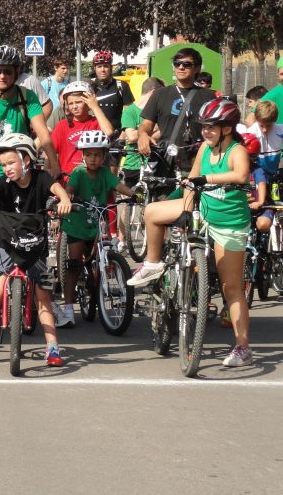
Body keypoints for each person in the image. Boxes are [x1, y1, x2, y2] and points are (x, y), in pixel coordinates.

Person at [128, 98, 253, 367]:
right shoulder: (205, 149)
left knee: (231, 287)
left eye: (211, 127)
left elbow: (241, 175)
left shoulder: (236, 151)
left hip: (229, 223)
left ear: (227, 129)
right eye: (203, 126)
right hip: (202, 211)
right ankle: (152, 263)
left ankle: (242, 347)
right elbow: (190, 183)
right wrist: (186, 209)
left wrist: (206, 179)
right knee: (152, 212)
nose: (205, 131)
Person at [0, 133, 72, 366]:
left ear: (26, 160)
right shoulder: (5, 183)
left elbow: (56, 187)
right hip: (6, 242)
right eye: (3, 165)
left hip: (35, 244)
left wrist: (64, 199)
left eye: (11, 163)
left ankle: (52, 346)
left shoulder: (41, 178)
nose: (7, 169)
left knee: (43, 295)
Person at [0, 45, 60, 302]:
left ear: (17, 72)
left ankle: (31, 301)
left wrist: (53, 163)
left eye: (7, 71)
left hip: (19, 178)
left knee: (29, 240)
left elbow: (42, 132)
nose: (2, 76)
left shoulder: (27, 97)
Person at [58, 131, 136, 328]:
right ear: (83, 155)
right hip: (77, 224)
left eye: (97, 155)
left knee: (100, 259)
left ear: (103, 156)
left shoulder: (105, 173)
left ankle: (97, 290)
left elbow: (118, 186)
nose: (93, 159)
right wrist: (68, 196)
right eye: (89, 154)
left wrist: (133, 194)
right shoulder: (78, 173)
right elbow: (70, 188)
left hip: (97, 223)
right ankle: (68, 308)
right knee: (74, 264)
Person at [137, 47, 218, 175]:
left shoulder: (209, 96)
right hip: (166, 162)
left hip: (199, 162)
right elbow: (147, 124)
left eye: (187, 64)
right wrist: (143, 135)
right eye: (177, 63)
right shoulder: (160, 94)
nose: (181, 67)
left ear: (197, 68)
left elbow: (217, 128)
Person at [50, 81, 115, 176]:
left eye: (78, 102)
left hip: (93, 178)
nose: (74, 107)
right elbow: (50, 151)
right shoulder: (62, 125)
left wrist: (95, 107)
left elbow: (108, 132)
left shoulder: (96, 123)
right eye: (70, 103)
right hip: (67, 178)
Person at [0, 49, 55, 120]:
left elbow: (47, 105)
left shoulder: (30, 81)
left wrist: (35, 125)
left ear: (17, 69)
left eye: (8, 71)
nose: (2, 76)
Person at [90, 51, 135, 134]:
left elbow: (129, 113)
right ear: (94, 68)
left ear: (111, 68)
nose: (102, 70)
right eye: (99, 66)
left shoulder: (122, 85)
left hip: (117, 134)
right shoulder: (89, 86)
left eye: (105, 66)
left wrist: (124, 132)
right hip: (94, 134)